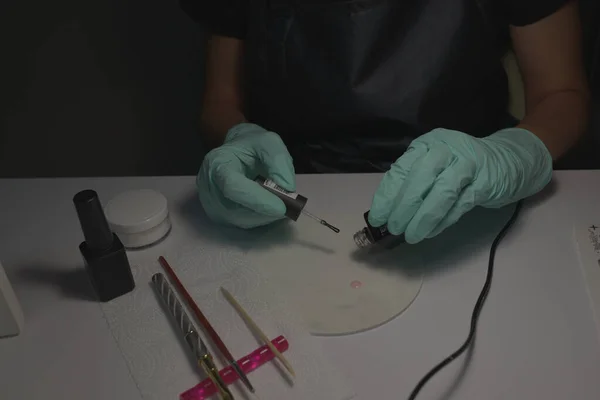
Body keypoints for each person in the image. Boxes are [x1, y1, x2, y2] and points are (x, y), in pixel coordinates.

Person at [183, 0, 589, 243]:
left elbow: (562, 95)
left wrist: (514, 155)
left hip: (467, 187)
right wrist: (237, 141)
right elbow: (219, 102)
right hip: (290, 186)